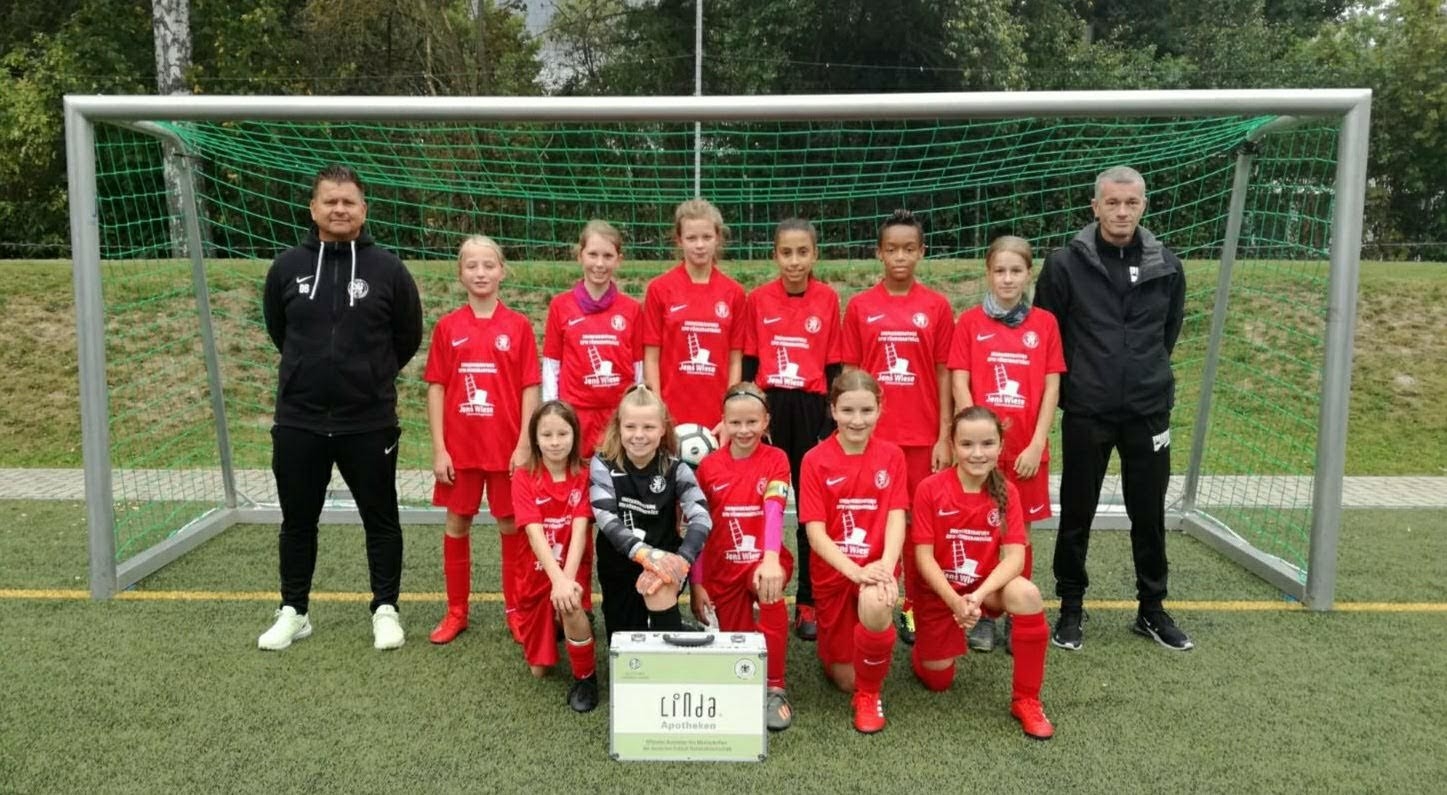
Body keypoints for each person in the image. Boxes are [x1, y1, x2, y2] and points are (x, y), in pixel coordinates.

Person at [258, 164, 423, 651]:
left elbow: (407, 336)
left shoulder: (389, 270)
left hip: (368, 420)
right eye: (330, 201)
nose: (339, 209)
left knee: (381, 518)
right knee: (297, 521)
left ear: (363, 209)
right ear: (313, 209)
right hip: (299, 419)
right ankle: (294, 610)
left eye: (348, 201)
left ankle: (386, 608)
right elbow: (278, 329)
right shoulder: (286, 267)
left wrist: (369, 376)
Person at [1034, 166, 1193, 652]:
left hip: (1148, 409)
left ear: (1144, 205)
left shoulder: (1167, 264)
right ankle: (1071, 607)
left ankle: (1152, 609)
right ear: (1095, 206)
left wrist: (1142, 374)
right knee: (1076, 511)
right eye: (1112, 203)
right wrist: (1087, 380)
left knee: (1149, 512)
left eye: (1131, 203)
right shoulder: (1063, 264)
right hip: (1088, 408)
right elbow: (1049, 334)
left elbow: (1167, 332)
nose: (1122, 212)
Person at [840, 209, 954, 646]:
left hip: (922, 438)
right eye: (892, 249)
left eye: (909, 249)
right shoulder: (861, 306)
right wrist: (850, 431)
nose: (900, 257)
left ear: (922, 252)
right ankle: (872, 598)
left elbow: (943, 374)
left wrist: (944, 435)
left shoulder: (936, 306)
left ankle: (913, 606)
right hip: (872, 438)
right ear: (879, 253)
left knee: (919, 527)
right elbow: (850, 376)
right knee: (873, 524)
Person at [948, 235, 1064, 653]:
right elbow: (959, 382)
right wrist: (975, 442)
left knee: (1018, 534)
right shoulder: (969, 322)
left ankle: (1018, 612)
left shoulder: (1045, 324)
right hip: (980, 454)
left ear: (1029, 274)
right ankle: (984, 614)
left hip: (1025, 453)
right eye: (1000, 270)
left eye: (1016, 271)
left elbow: (1051, 389)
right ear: (988, 273)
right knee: (980, 530)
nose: (1008, 279)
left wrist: (1036, 443)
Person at [423, 235, 541, 646]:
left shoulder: (518, 326)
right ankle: (457, 611)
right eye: (471, 265)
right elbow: (436, 387)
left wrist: (524, 444)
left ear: (501, 271)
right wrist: (440, 448)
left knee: (511, 524)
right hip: (460, 449)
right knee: (458, 522)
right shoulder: (448, 327)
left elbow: (530, 388)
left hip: (506, 449)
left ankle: (516, 610)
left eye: (488, 265)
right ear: (460, 274)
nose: (480, 273)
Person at [910, 407, 1054, 740]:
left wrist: (976, 596)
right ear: (953, 445)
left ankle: (1027, 700)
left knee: (1027, 594)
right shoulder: (930, 488)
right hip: (940, 592)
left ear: (1001, 446)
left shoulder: (1008, 492)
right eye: (967, 444)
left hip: (983, 590)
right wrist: (955, 601)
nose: (977, 453)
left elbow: (1015, 558)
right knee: (938, 681)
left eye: (987, 443)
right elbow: (923, 558)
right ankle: (923, 652)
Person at [740, 218, 842, 642]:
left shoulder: (828, 299)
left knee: (810, 511)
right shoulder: (758, 299)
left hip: (811, 409)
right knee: (755, 503)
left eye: (803, 252)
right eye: (786, 252)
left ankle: (808, 601)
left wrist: (829, 421)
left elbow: (833, 364)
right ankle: (749, 592)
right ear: (775, 255)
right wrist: (748, 409)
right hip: (769, 408)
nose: (795, 261)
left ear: (815, 254)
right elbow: (749, 361)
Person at [798, 370, 908, 734]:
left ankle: (869, 696)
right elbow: (815, 533)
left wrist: (886, 568)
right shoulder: (814, 459)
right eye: (847, 410)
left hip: (875, 569)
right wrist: (854, 571)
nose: (857, 420)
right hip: (835, 573)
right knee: (844, 677)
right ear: (832, 410)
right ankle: (845, 651)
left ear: (880, 409)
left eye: (866, 410)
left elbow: (896, 517)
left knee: (875, 602)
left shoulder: (892, 456)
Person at [690, 382, 796, 731]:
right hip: (723, 569)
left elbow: (774, 509)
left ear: (766, 421)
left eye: (752, 422)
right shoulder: (708, 467)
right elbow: (700, 528)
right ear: (723, 422)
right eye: (735, 422)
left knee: (769, 586)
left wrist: (770, 558)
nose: (744, 430)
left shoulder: (777, 459)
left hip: (762, 562)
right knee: (740, 656)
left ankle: (775, 688)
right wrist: (697, 583)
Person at [588, 384, 712, 640]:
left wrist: (682, 560)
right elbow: (606, 518)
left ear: (663, 429)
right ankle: (671, 626)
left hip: (665, 562)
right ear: (618, 427)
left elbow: (701, 516)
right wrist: (646, 555)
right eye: (630, 427)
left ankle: (668, 630)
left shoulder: (676, 468)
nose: (639, 435)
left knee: (658, 598)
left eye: (648, 427)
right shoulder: (602, 463)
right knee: (624, 641)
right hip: (619, 565)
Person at [511, 401, 599, 713]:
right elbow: (534, 533)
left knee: (570, 603)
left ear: (575, 436)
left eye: (563, 433)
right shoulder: (523, 477)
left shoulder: (585, 475)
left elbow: (580, 531)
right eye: (546, 435)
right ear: (535, 439)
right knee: (540, 670)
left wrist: (566, 583)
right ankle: (558, 624)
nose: (555, 442)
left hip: (572, 570)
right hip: (537, 572)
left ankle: (585, 677)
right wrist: (556, 580)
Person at [642, 199, 746, 431]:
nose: (700, 245)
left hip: (717, 416)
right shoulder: (659, 289)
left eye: (706, 237)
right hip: (670, 414)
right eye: (691, 238)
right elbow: (651, 358)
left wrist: (729, 413)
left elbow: (735, 360)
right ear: (679, 240)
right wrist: (658, 410)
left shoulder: (734, 293)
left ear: (717, 238)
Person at [542, 220, 643, 455]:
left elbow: (639, 366)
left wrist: (637, 411)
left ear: (618, 260)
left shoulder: (632, 309)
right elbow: (551, 364)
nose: (599, 263)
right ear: (580, 256)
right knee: (576, 475)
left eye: (608, 256)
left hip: (618, 415)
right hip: (574, 414)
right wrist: (551, 410)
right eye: (593, 255)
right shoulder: (560, 306)